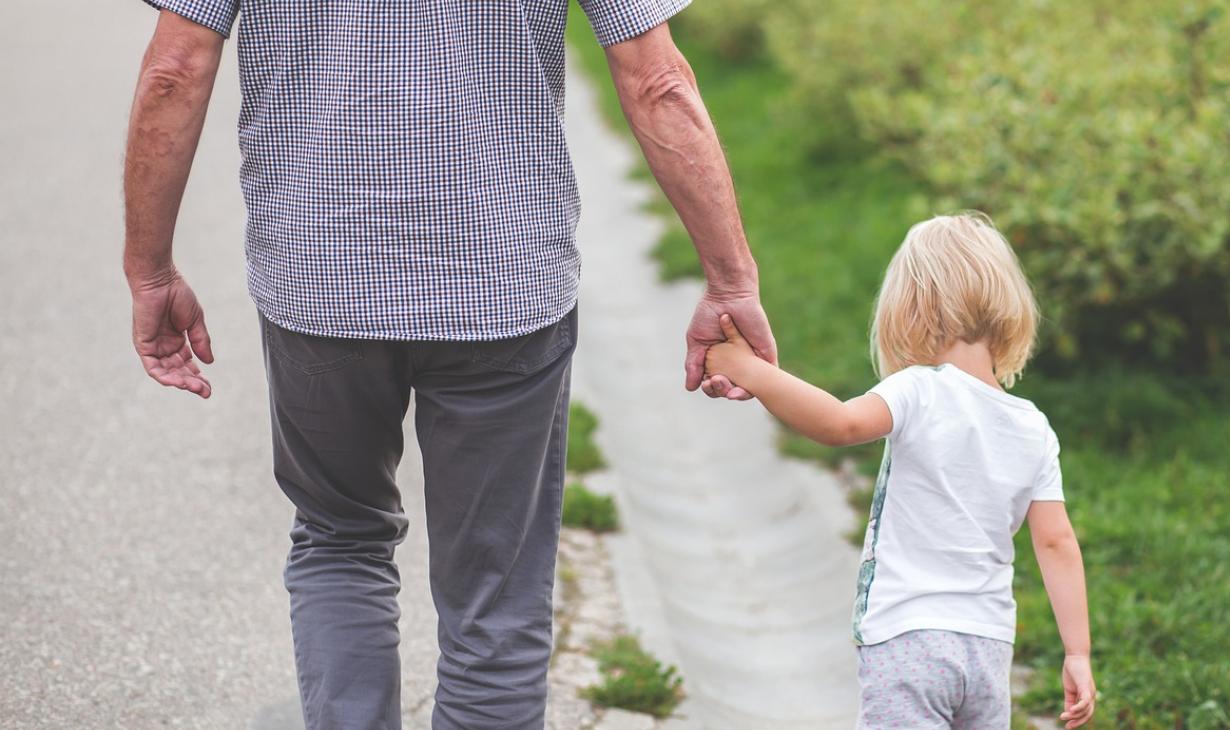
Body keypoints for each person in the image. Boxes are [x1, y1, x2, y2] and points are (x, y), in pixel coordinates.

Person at [121, 1, 774, 727]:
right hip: (503, 284)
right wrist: (730, 280)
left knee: (340, 541)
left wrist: (150, 272)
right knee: (497, 594)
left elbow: (173, 72)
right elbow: (658, 81)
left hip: (322, 281)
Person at [704, 213, 1096, 729]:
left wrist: (749, 369)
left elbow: (839, 424)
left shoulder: (918, 388)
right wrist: (1078, 653)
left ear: (912, 309)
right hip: (988, 648)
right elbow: (1056, 543)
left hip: (908, 638)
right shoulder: (1032, 426)